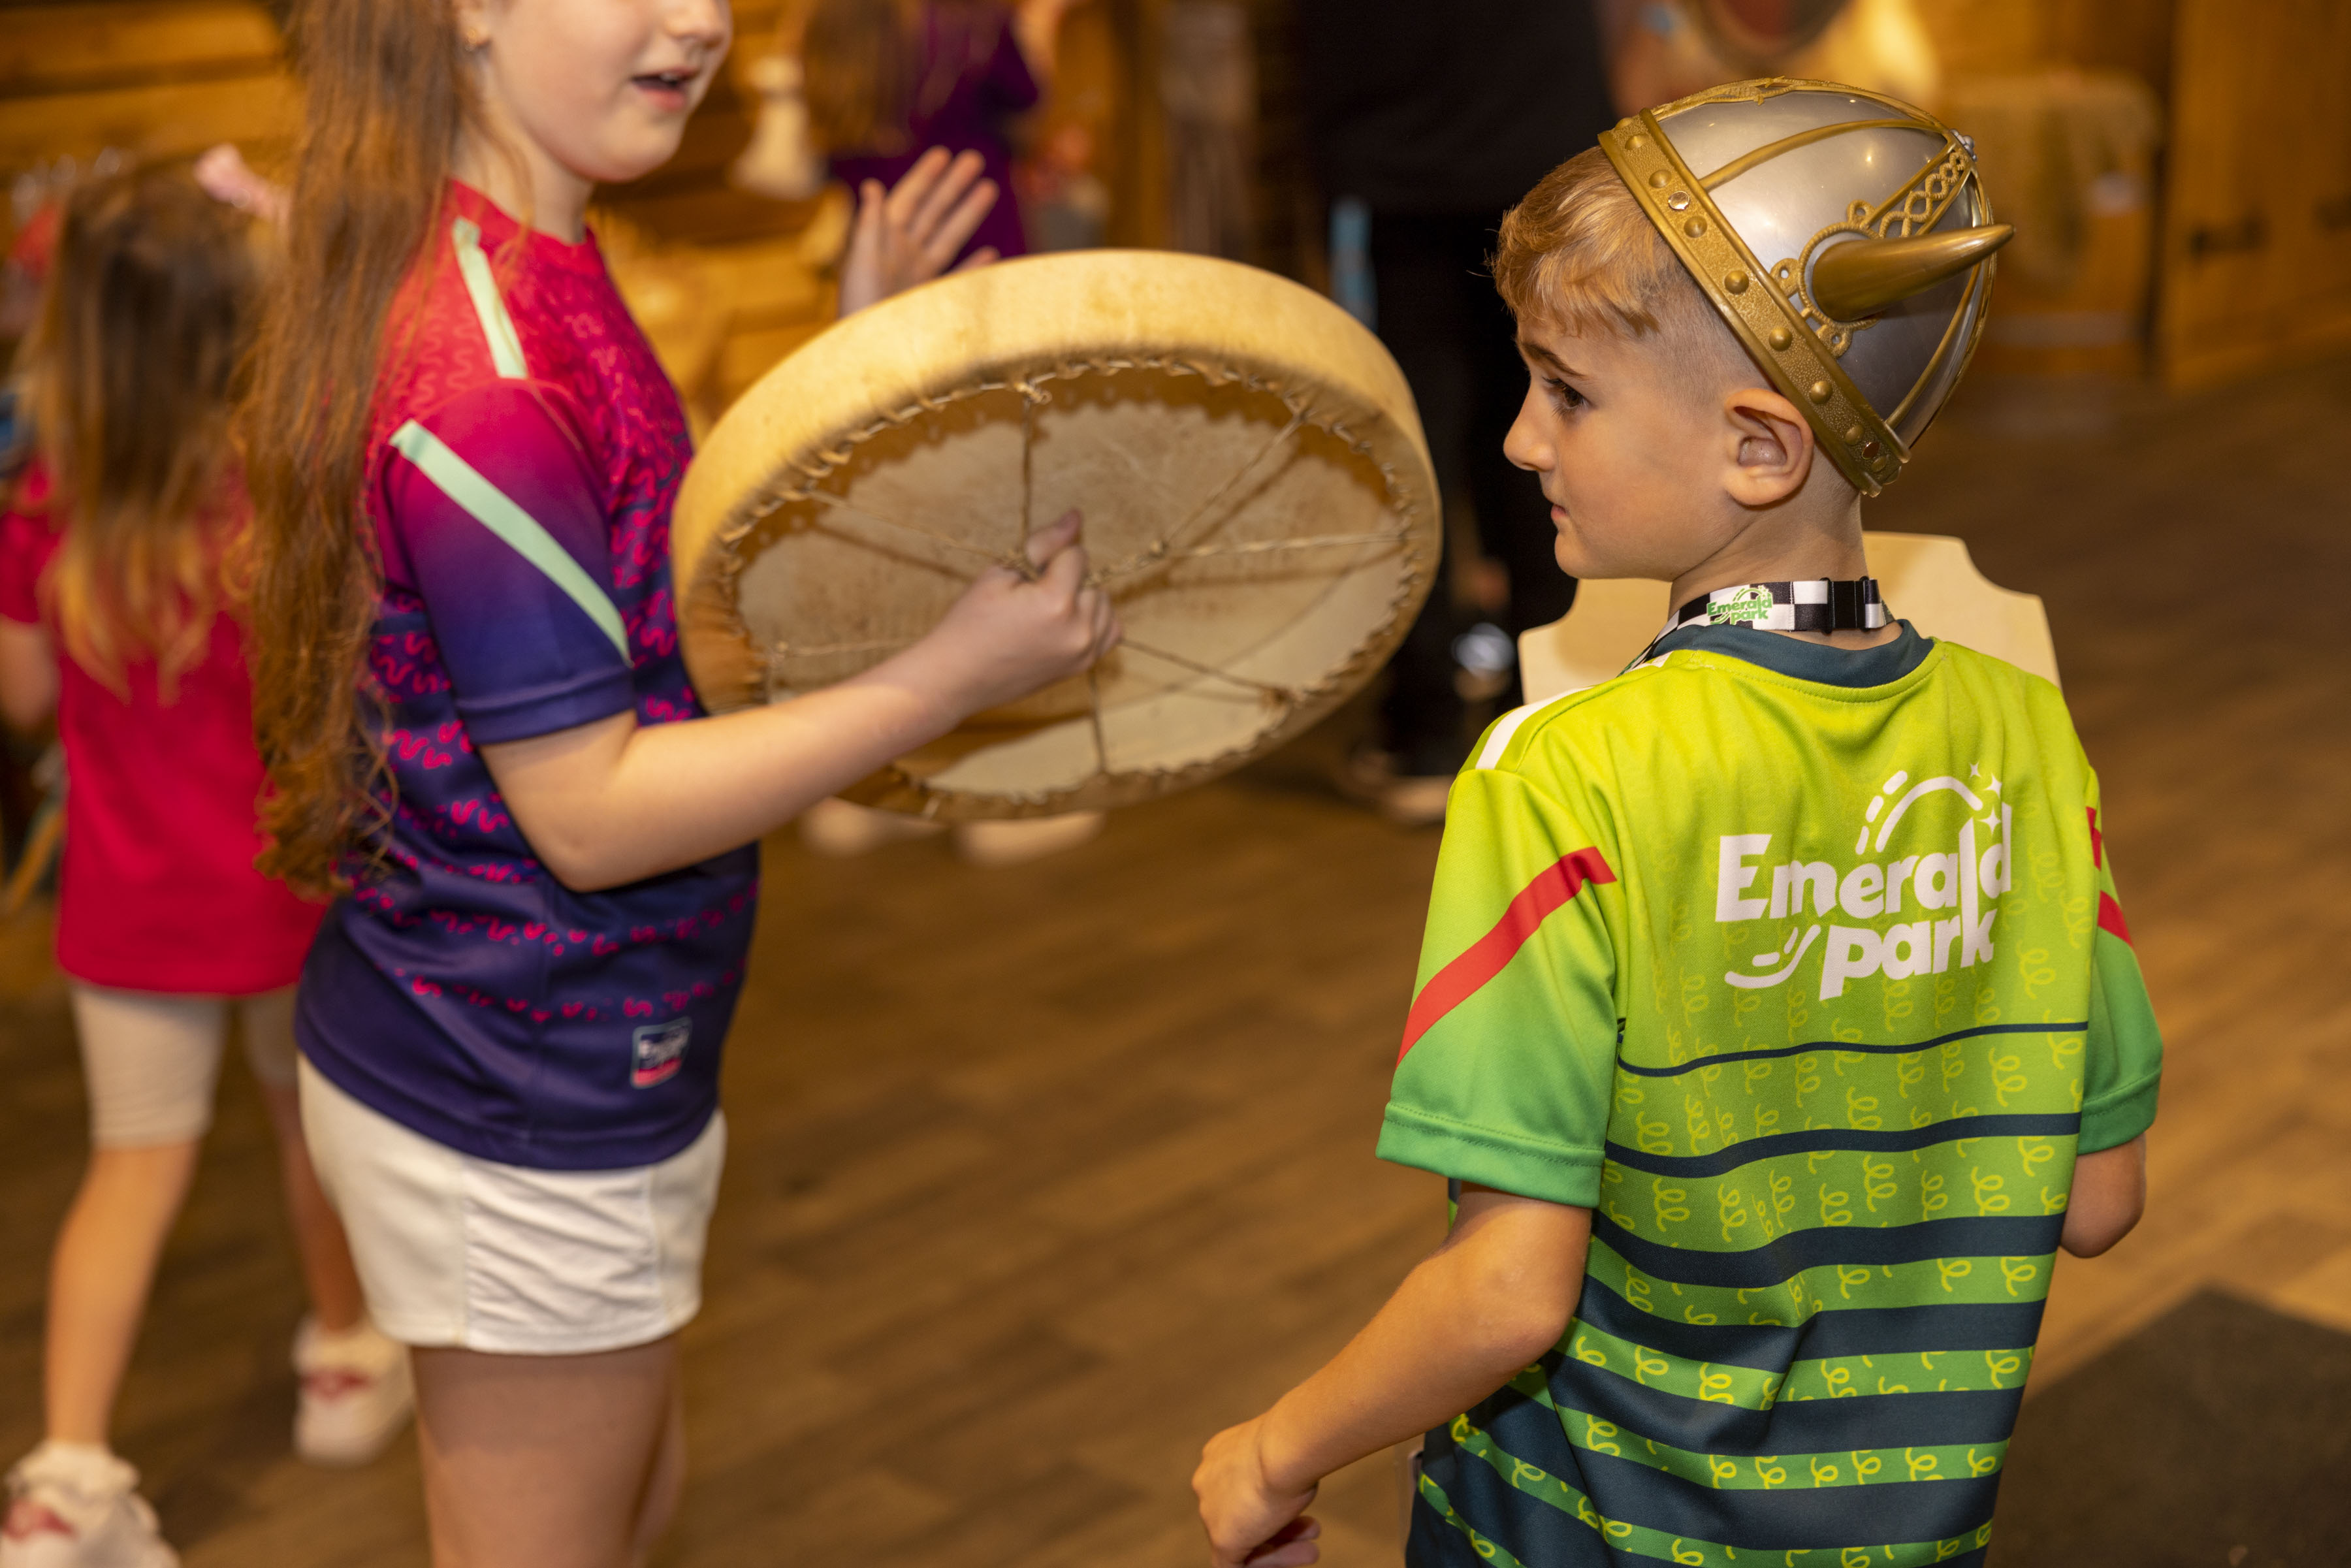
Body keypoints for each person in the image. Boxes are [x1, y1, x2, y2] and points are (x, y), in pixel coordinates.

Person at [1192, 143, 2162, 1565]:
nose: (1524, 439)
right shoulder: (2029, 737)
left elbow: (1512, 1295)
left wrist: (1276, 1450)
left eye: (1569, 392)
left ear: (1760, 444)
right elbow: (2100, 1198)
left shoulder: (1564, 774)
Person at [239, 3, 1117, 1565]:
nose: (701, 19)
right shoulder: (483, 381)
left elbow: (652, 585)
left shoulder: (545, 253)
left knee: (629, 1518)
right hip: (509, 1082)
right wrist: (940, 682)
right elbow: (590, 808)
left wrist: (842, 362)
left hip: (579, 1051)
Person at [0, 165, 409, 1568]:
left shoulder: (47, 508)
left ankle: (64, 1481)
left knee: (130, 1168)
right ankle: (347, 1362)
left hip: (123, 914)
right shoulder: (285, 496)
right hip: (289, 900)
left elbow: (21, 698)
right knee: (311, 1136)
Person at [1294, 0, 1615, 825]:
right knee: (1542, 421)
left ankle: (1426, 731)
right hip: (1533, 142)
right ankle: (1538, 710)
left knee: (1408, 443)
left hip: (1403, 162)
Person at [803, 0, 1087, 263]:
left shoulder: (825, 21)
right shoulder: (966, 20)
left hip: (880, 238)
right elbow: (1027, 96)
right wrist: (1040, 19)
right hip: (977, 226)